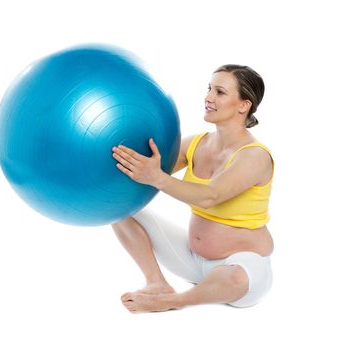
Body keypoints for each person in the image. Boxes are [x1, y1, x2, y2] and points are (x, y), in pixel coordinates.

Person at [111, 64, 274, 313]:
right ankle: (157, 284)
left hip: (243, 266)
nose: (208, 97)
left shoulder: (255, 156)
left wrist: (156, 177)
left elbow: (211, 195)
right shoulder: (198, 143)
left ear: (244, 105)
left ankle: (171, 302)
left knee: (235, 279)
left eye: (220, 92)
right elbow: (151, 170)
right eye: (209, 89)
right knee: (118, 209)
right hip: (192, 260)